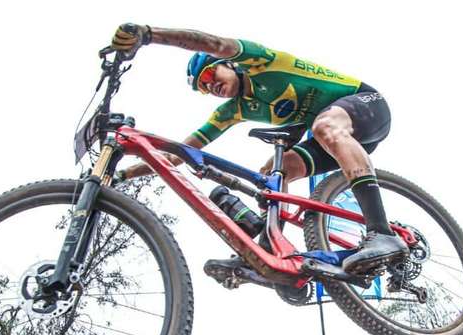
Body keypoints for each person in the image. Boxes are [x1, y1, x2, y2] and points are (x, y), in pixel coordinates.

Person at [106, 24, 408, 273]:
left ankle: (381, 232)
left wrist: (149, 34)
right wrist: (121, 176)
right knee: (274, 173)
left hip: (366, 106)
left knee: (324, 126)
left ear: (227, 64)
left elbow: (212, 41)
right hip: (330, 133)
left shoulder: (259, 62)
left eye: (210, 75)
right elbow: (177, 154)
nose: (210, 86)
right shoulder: (233, 110)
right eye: (203, 87)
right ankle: (275, 250)